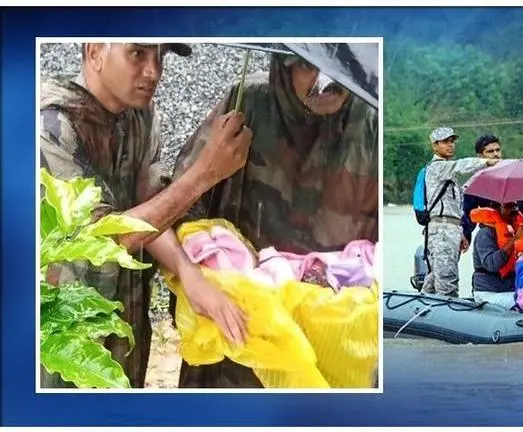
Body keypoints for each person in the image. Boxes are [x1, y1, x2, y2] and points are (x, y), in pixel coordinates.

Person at [39, 43, 253, 388]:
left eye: (161, 56)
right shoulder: (51, 127)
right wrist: (202, 175)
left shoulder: (142, 116)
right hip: (66, 339)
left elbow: (151, 201)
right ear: (95, 52)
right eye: (138, 54)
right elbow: (104, 240)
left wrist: (188, 272)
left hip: (126, 322)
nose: (154, 72)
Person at [167, 46, 379, 387]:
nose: (326, 81)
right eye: (309, 66)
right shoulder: (248, 103)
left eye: (343, 68)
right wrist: (200, 275)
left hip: (331, 333)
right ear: (284, 66)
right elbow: (179, 206)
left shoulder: (372, 120)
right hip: (241, 325)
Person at [420, 127, 499, 298]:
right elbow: (460, 165)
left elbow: (456, 208)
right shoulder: (437, 168)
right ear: (435, 146)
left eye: (452, 141)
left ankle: (420, 310)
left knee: (435, 278)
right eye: (445, 142)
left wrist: (461, 232)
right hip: (441, 229)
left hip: (451, 228)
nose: (450, 145)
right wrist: (485, 162)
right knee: (447, 280)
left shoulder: (449, 173)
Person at [461, 134, 523, 248]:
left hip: (520, 232)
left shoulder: (515, 173)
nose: (496, 154)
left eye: (498, 150)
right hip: (493, 236)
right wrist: (465, 236)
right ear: (480, 156)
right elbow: (467, 214)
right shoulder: (476, 183)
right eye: (490, 151)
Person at [469, 201, 523, 309]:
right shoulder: (485, 233)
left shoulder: (514, 231)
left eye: (516, 206)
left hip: (509, 289)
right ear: (497, 209)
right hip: (489, 292)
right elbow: (491, 264)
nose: (514, 210)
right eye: (508, 206)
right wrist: (516, 240)